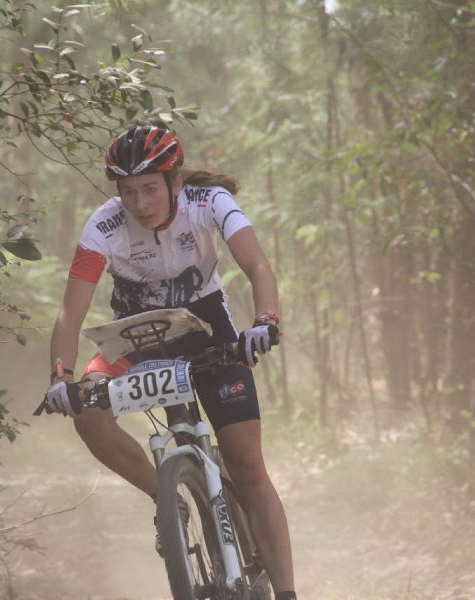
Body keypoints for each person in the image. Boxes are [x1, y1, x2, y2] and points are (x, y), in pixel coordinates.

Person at [44, 125, 297, 600]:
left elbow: (258, 265)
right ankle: (168, 503)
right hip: (135, 336)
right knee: (88, 412)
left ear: (175, 182)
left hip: (207, 331)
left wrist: (265, 321)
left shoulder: (210, 201)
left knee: (247, 465)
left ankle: (286, 592)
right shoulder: (103, 226)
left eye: (150, 188)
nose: (139, 203)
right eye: (128, 192)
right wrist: (60, 374)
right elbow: (70, 311)